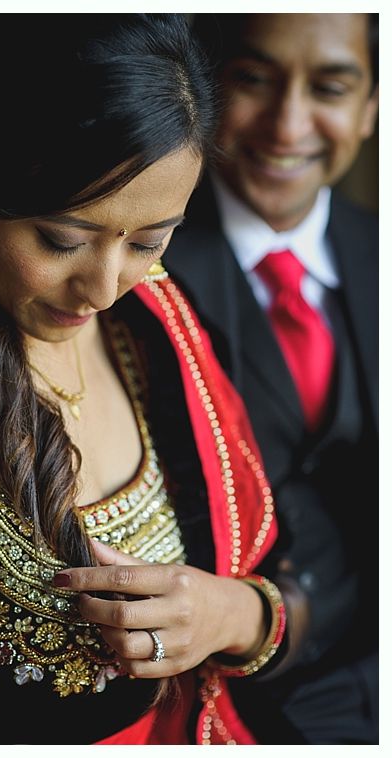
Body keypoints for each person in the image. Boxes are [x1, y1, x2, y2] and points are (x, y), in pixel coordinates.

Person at [0, 15, 292, 744]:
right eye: (62, 240)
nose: (105, 289)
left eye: (149, 242)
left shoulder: (160, 321)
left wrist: (233, 614)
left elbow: (305, 556)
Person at [168, 14, 378, 744]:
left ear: (371, 107)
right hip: (233, 697)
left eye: (330, 88)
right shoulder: (139, 259)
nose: (288, 126)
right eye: (254, 80)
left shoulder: (378, 249)